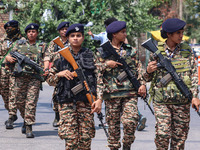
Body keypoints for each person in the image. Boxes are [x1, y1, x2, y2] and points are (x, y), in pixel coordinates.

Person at [143, 18, 200, 149]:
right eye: (178, 33)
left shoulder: (186, 51)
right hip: (162, 101)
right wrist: (148, 71)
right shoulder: (156, 51)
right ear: (169, 34)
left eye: (182, 32)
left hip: (182, 101)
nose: (181, 36)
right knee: (162, 135)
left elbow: (193, 75)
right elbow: (145, 78)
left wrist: (195, 96)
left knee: (179, 139)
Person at [47, 23, 102, 150]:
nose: (75, 38)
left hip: (86, 103)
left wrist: (99, 99)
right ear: (68, 37)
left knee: (85, 139)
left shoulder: (91, 55)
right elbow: (49, 79)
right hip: (67, 102)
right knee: (71, 140)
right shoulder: (59, 56)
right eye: (72, 36)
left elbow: (99, 78)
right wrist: (59, 74)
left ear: (83, 37)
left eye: (78, 35)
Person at [95, 21, 146, 150]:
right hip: (111, 94)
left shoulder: (131, 51)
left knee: (131, 121)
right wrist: (107, 64)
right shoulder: (102, 51)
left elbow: (139, 68)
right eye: (122, 32)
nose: (125, 34)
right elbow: (95, 71)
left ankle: (127, 144)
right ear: (114, 34)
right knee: (113, 128)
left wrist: (143, 85)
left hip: (130, 93)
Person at [5, 23, 50, 138]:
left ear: (37, 33)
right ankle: (25, 119)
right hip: (20, 77)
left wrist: (45, 68)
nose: (31, 33)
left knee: (31, 102)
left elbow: (46, 57)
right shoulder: (18, 44)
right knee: (19, 101)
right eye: (29, 32)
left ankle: (29, 125)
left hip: (34, 78)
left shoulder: (42, 45)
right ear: (26, 33)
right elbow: (8, 55)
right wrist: (8, 58)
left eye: (34, 31)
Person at [1, 20, 25, 126]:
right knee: (5, 94)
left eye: (11, 28)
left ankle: (12, 115)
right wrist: (5, 57)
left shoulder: (23, 41)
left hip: (17, 72)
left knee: (14, 94)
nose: (9, 30)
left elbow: (27, 55)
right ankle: (12, 112)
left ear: (17, 28)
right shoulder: (2, 40)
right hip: (3, 73)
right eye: (7, 29)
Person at [47, 21, 70, 127]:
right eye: (62, 29)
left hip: (70, 68)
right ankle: (57, 115)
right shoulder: (54, 42)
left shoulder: (72, 40)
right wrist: (57, 54)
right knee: (57, 93)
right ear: (59, 31)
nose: (65, 31)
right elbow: (48, 55)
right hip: (58, 68)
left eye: (66, 29)